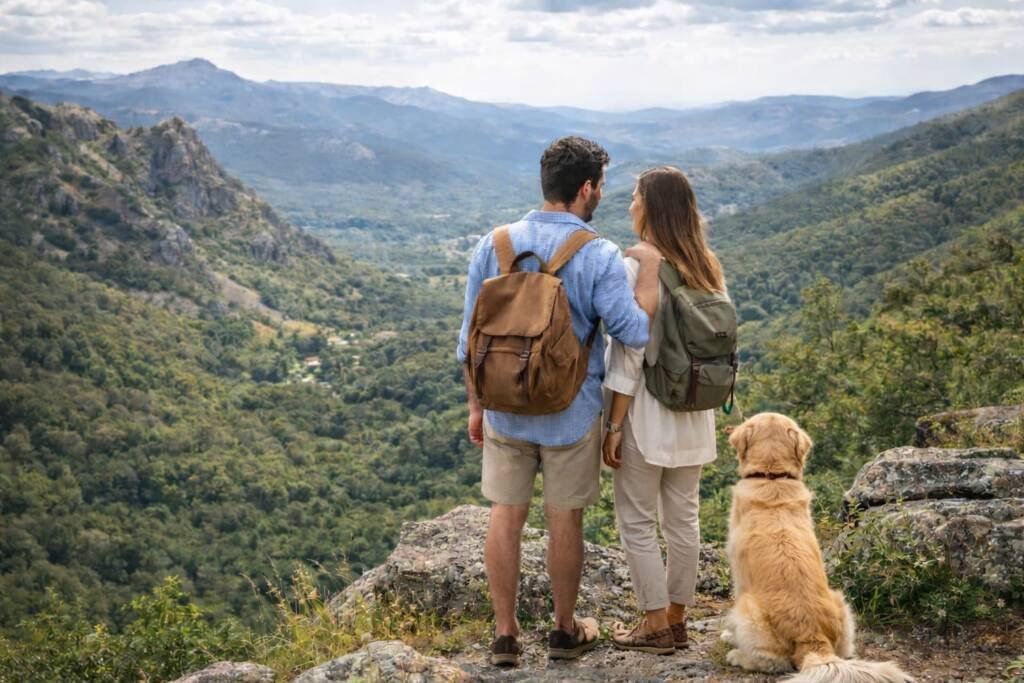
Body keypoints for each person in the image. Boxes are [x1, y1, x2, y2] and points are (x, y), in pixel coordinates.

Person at [456, 136, 663, 667]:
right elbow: (632, 332)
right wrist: (652, 282)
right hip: (571, 412)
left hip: (503, 406)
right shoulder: (597, 253)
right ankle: (564, 630)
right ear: (587, 188)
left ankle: (505, 636)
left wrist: (477, 406)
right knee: (564, 520)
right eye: (601, 187)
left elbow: (468, 341)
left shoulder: (494, 244)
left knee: (505, 515)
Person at [602, 166, 723, 654]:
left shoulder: (639, 266)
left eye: (635, 197)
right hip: (696, 414)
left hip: (648, 412)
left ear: (651, 207)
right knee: (683, 519)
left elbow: (630, 354)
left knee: (635, 520)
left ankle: (652, 623)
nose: (630, 204)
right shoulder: (708, 266)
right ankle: (676, 618)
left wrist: (613, 423)